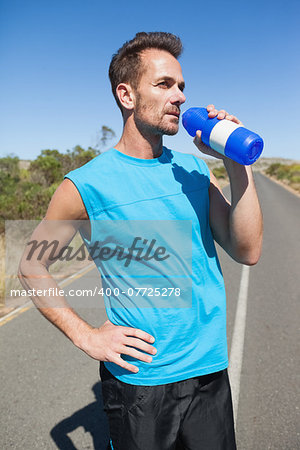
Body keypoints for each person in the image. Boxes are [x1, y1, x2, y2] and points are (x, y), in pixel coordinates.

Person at [19, 31, 263, 449]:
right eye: (165, 84)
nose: (180, 97)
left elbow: (247, 250)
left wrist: (236, 165)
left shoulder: (193, 170)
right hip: (141, 385)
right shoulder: (86, 184)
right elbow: (30, 265)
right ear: (127, 95)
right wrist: (86, 335)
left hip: (208, 371)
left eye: (182, 86)